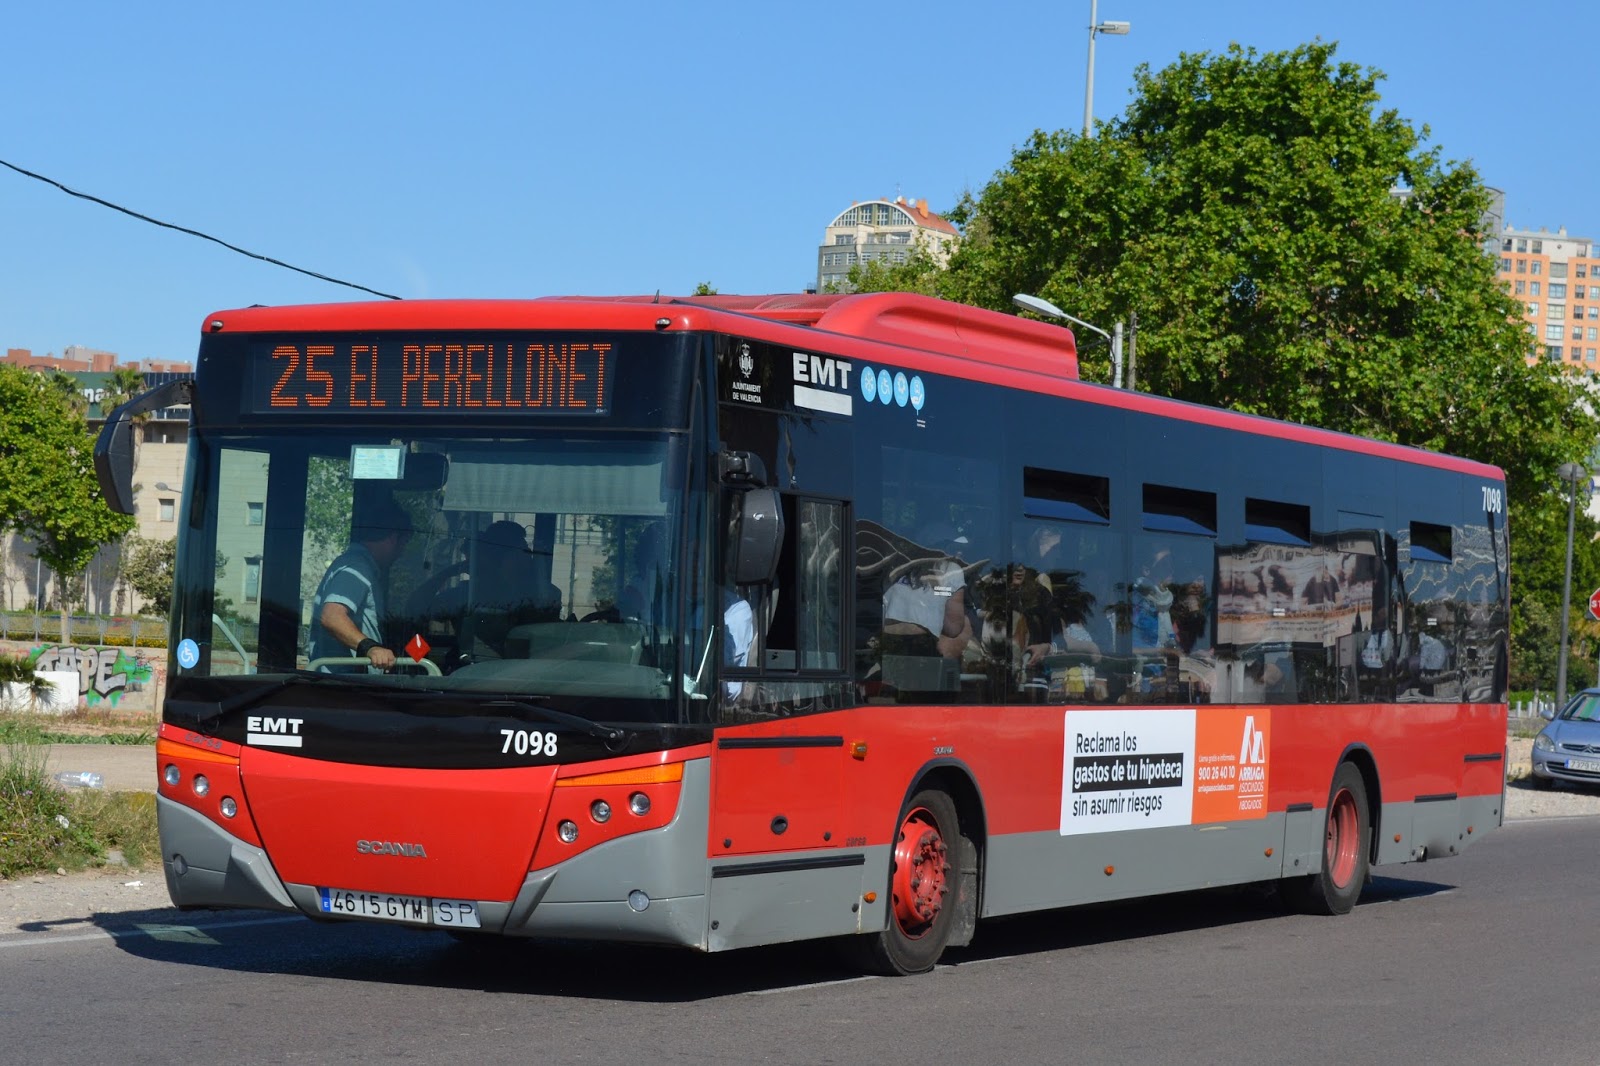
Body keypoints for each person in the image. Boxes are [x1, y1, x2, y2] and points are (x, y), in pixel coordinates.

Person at [308, 497, 412, 669]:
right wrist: (370, 648)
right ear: (393, 539)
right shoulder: (356, 568)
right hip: (341, 687)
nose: (402, 553)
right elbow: (331, 616)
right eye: (404, 544)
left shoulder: (363, 567)